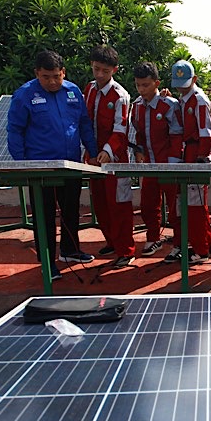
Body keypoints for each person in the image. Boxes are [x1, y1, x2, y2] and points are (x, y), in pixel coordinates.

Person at [8, 50, 98, 280]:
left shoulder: (73, 92)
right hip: (40, 168)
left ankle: (70, 250)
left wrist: (93, 152)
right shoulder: (24, 95)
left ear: (63, 73)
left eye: (56, 76)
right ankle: (47, 262)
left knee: (71, 209)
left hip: (71, 164)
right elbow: (15, 131)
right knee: (44, 214)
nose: (52, 81)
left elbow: (84, 124)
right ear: (37, 73)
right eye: (46, 76)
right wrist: (22, 164)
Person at [83, 45, 135, 268]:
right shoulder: (89, 89)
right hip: (93, 158)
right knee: (101, 203)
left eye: (105, 70)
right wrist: (90, 152)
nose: (100, 74)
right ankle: (112, 241)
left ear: (114, 70)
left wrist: (107, 150)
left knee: (119, 205)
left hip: (115, 160)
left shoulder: (120, 96)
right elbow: (85, 123)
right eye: (96, 69)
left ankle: (126, 250)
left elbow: (120, 129)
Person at [128, 62, 183, 257]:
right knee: (148, 204)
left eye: (146, 85)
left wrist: (173, 163)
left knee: (175, 206)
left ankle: (179, 243)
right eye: (138, 85)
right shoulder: (136, 107)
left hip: (169, 165)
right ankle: (153, 239)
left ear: (156, 83)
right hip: (149, 164)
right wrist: (138, 151)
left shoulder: (170, 105)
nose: (141, 90)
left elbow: (177, 135)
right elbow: (137, 135)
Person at [168, 60, 211, 264]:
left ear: (194, 80)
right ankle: (205, 242)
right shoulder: (183, 99)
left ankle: (201, 250)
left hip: (197, 153)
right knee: (187, 203)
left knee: (195, 205)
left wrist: (201, 157)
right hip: (187, 151)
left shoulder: (199, 100)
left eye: (185, 83)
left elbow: (206, 132)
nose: (181, 87)